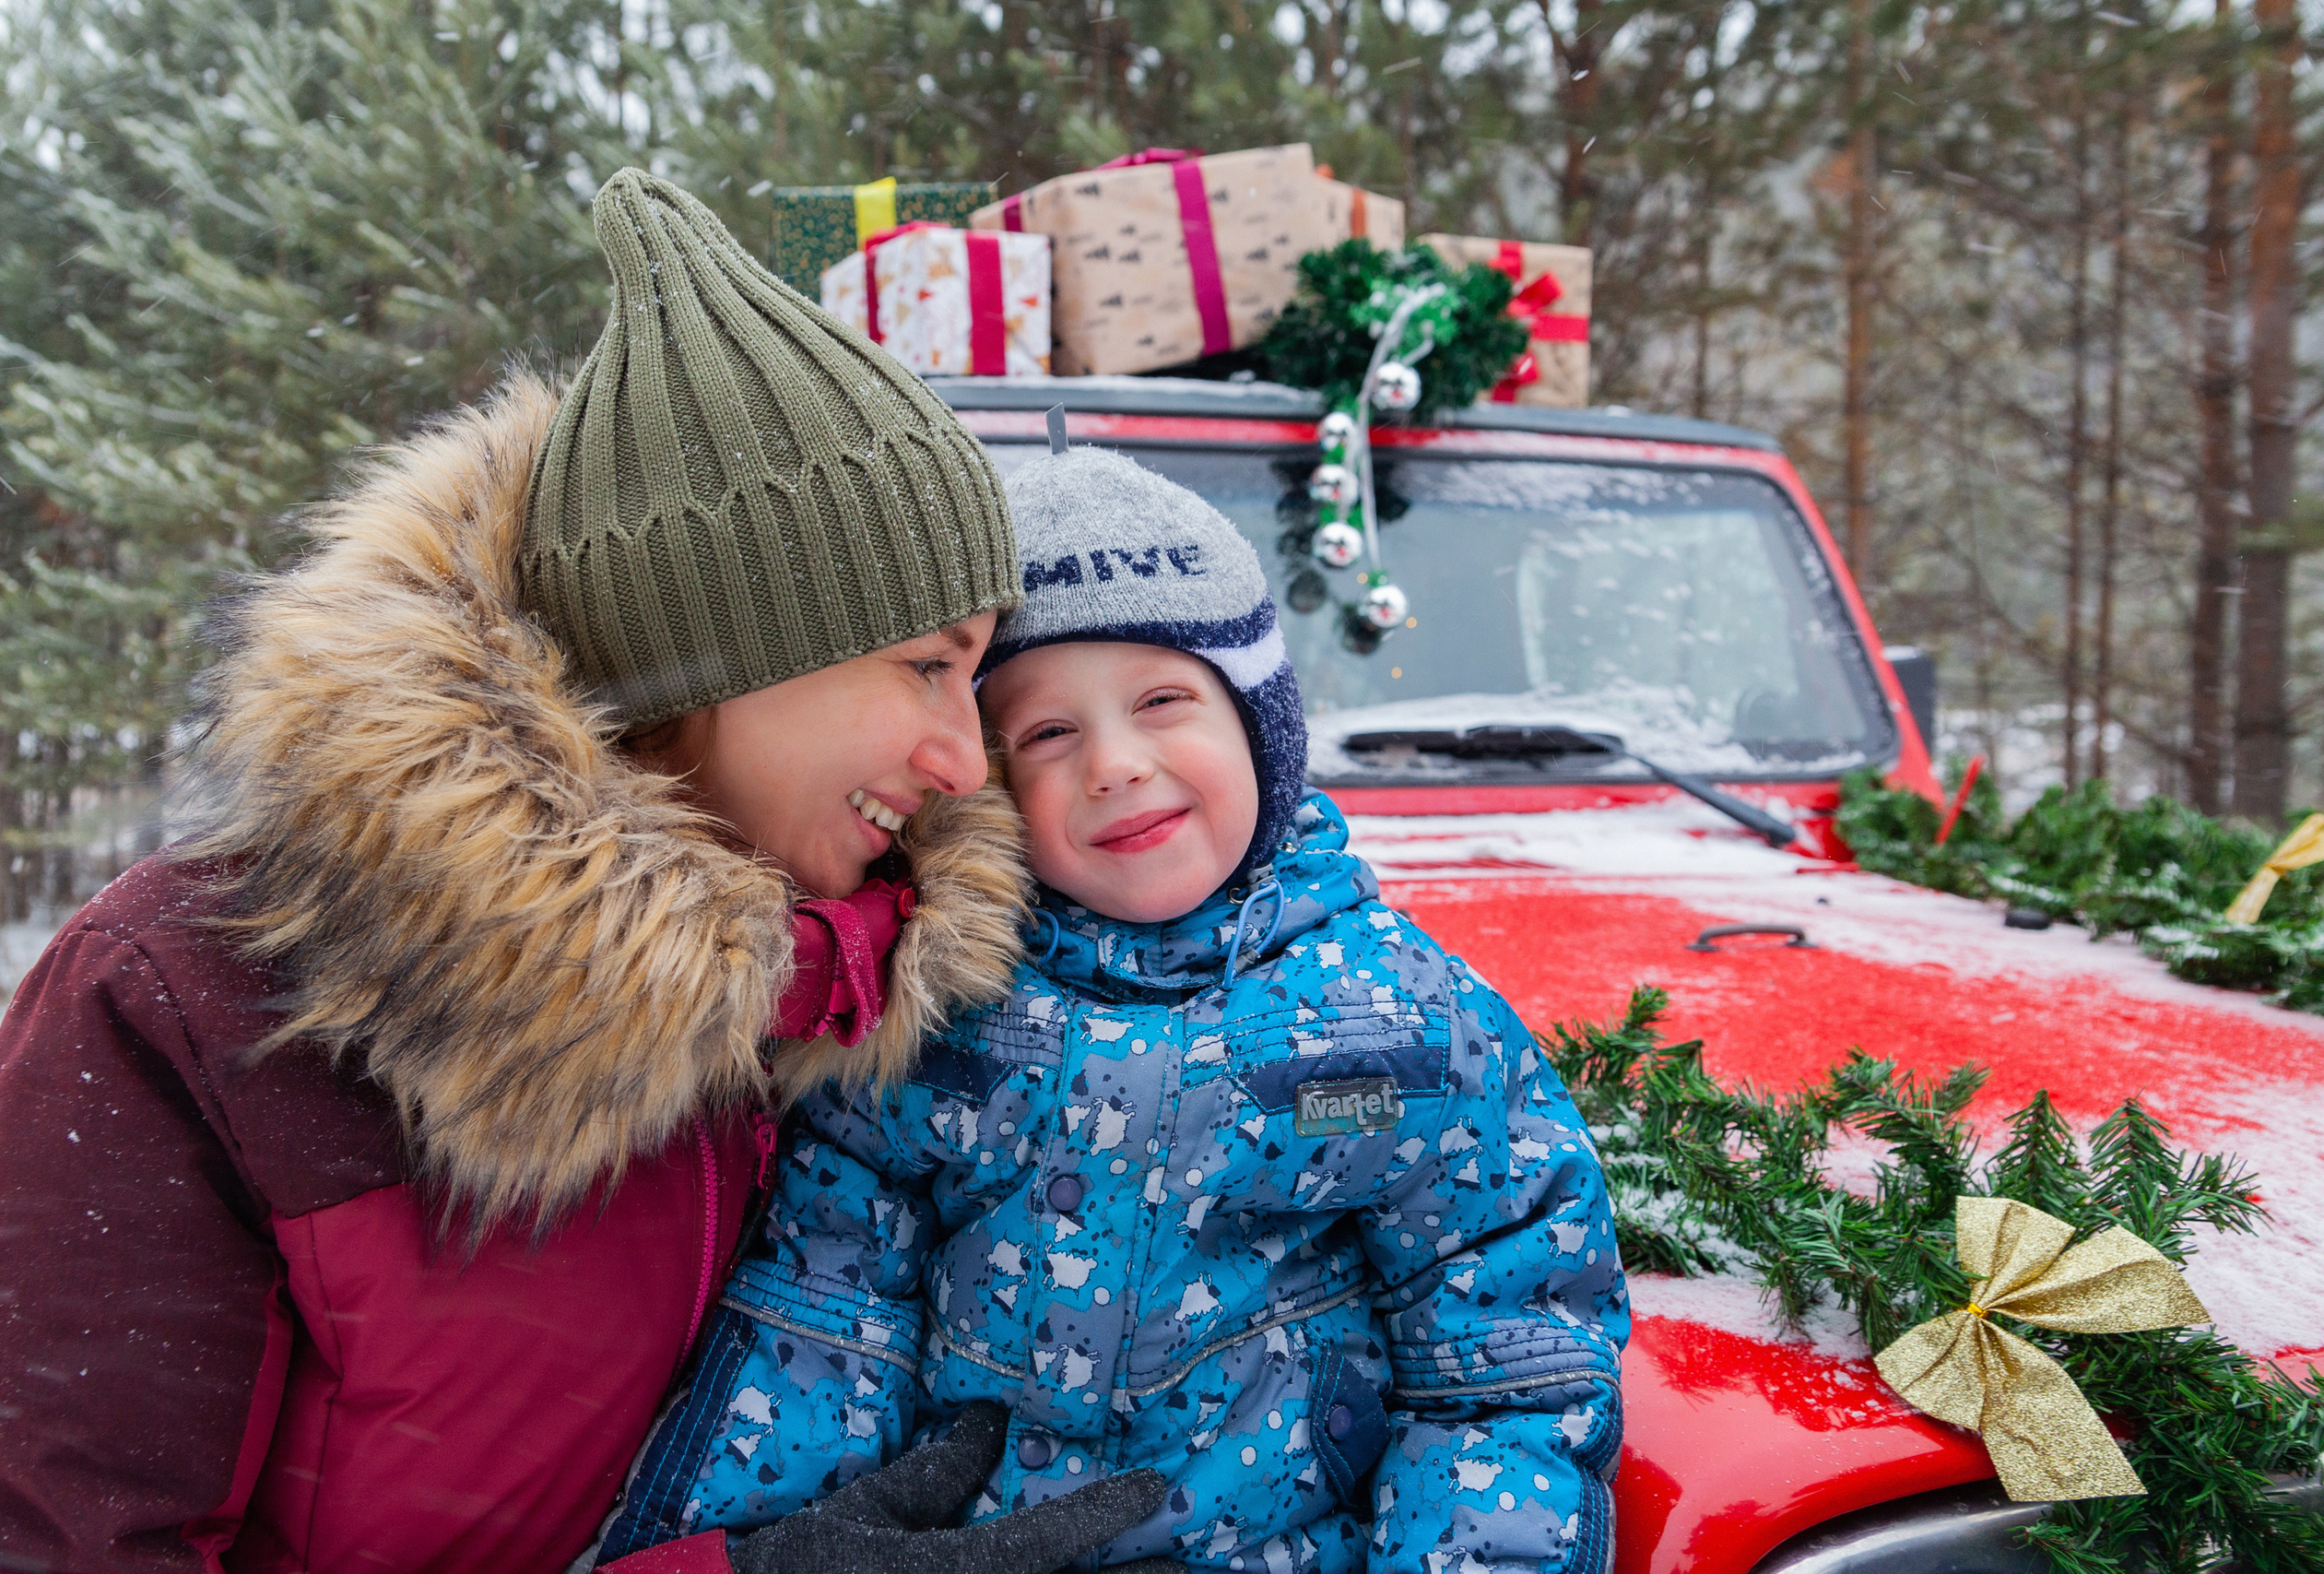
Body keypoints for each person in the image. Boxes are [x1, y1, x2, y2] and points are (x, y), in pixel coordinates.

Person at [0, 172, 1158, 1574]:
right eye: (924, 665)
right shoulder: (190, 1000)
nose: (963, 761)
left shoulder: (902, 994)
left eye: (975, 679)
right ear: (714, 653)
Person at [612, 442, 1630, 1573]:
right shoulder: (934, 1009)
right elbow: (820, 1321)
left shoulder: (1401, 1021)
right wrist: (755, 1548)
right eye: (1049, 734)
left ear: (1260, 725)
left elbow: (1502, 1361)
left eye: (1162, 701)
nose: (1115, 764)